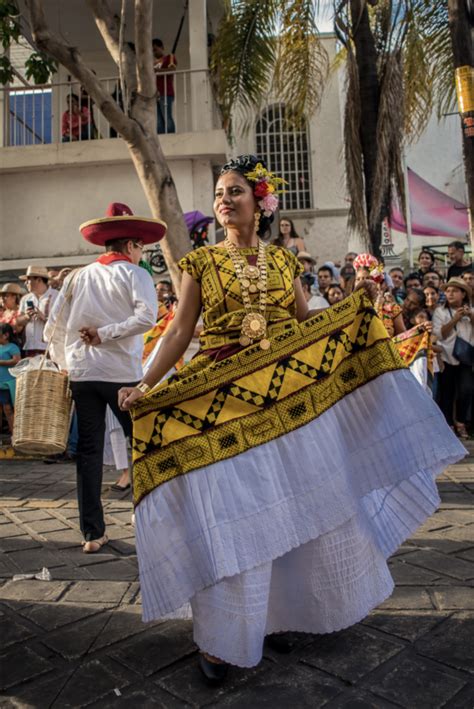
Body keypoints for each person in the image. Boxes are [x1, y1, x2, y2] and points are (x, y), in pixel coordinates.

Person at [117, 155, 464, 682]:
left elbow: (307, 324)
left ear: (260, 203)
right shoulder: (199, 263)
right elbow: (179, 332)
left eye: (235, 191)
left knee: (294, 507)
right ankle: (222, 640)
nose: (224, 200)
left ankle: (279, 616)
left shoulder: (283, 264)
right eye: (218, 192)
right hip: (223, 395)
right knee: (238, 512)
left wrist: (357, 307)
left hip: (287, 398)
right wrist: (147, 383)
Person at [45, 202, 164, 553]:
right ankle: (145, 516)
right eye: (140, 246)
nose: (141, 252)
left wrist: (66, 362)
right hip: (122, 375)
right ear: (129, 246)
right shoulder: (136, 274)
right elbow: (147, 318)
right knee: (142, 445)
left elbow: (55, 326)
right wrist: (107, 333)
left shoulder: (76, 276)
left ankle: (92, 534)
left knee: (89, 451)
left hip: (83, 373)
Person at [432, 277, 473, 439]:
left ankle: (461, 422)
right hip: (446, 357)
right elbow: (439, 334)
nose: (450, 294)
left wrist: (471, 316)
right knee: (447, 393)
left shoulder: (471, 310)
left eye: (455, 291)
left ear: (463, 294)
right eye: (448, 291)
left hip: (465, 358)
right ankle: (448, 424)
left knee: (466, 390)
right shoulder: (440, 311)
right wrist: (455, 318)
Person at [16, 266, 58, 357]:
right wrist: (26, 316)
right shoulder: (26, 298)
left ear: (39, 280)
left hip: (50, 347)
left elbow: (62, 322)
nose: (25, 283)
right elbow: (18, 322)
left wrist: (44, 318)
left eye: (28, 280)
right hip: (30, 347)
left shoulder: (56, 296)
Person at [0, 323, 21, 436]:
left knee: (8, 409)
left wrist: (1, 362)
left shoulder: (12, 347)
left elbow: (17, 360)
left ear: (6, 335)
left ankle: (15, 435)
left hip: (8, 383)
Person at [152, 38, 177, 134]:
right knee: (158, 120)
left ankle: (171, 136)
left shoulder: (169, 57)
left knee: (167, 117)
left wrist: (157, 71)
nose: (154, 53)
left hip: (166, 92)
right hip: (155, 94)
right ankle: (161, 138)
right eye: (152, 51)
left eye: (155, 49)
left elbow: (172, 70)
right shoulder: (153, 63)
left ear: (162, 47)